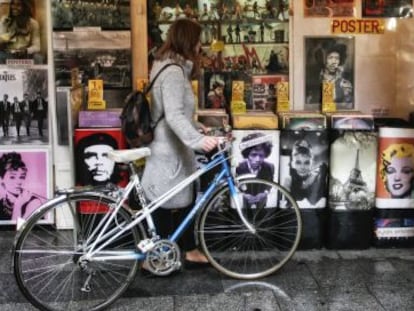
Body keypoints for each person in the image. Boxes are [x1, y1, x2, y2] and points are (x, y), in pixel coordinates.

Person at [141, 18, 218, 268]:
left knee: (183, 197)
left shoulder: (167, 64)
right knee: (163, 202)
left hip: (172, 146)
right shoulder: (174, 72)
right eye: (197, 40)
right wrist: (198, 139)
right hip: (168, 149)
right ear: (189, 41)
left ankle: (188, 249)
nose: (200, 46)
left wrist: (196, 126)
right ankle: (155, 257)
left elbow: (172, 112)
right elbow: (173, 115)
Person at [282, 139, 328, 208]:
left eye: (306, 163)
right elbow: (287, 205)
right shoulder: (288, 180)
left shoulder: (318, 178)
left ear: (312, 163)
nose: (302, 167)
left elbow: (315, 202)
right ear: (293, 163)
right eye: (298, 162)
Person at [306, 42, 353, 109]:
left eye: (337, 58)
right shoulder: (313, 80)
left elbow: (348, 107)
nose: (334, 62)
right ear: (323, 59)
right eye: (330, 58)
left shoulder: (344, 84)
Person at [0, 152, 44, 220]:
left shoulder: (33, 202)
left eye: (22, 177)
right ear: (2, 180)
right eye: (12, 177)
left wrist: (18, 205)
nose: (19, 182)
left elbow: (19, 230)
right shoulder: (2, 203)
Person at [235, 132, 275, 208]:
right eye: (253, 155)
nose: (257, 159)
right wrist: (244, 194)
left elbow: (270, 182)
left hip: (262, 199)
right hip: (246, 199)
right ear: (247, 154)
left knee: (262, 215)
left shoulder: (270, 167)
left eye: (261, 155)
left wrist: (265, 193)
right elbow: (237, 183)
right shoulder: (239, 167)